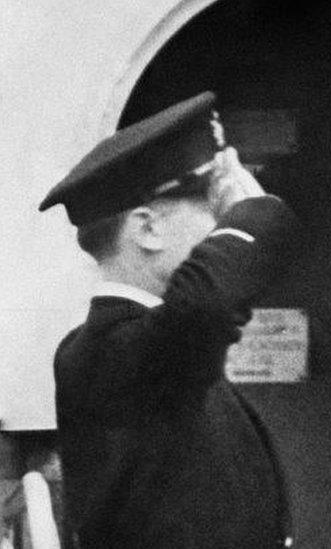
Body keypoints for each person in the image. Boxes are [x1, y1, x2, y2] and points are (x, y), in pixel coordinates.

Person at [39, 91, 296, 548]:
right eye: (210, 206)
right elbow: (205, 305)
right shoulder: (101, 352)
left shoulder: (157, 346)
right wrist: (251, 211)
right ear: (147, 228)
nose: (219, 222)